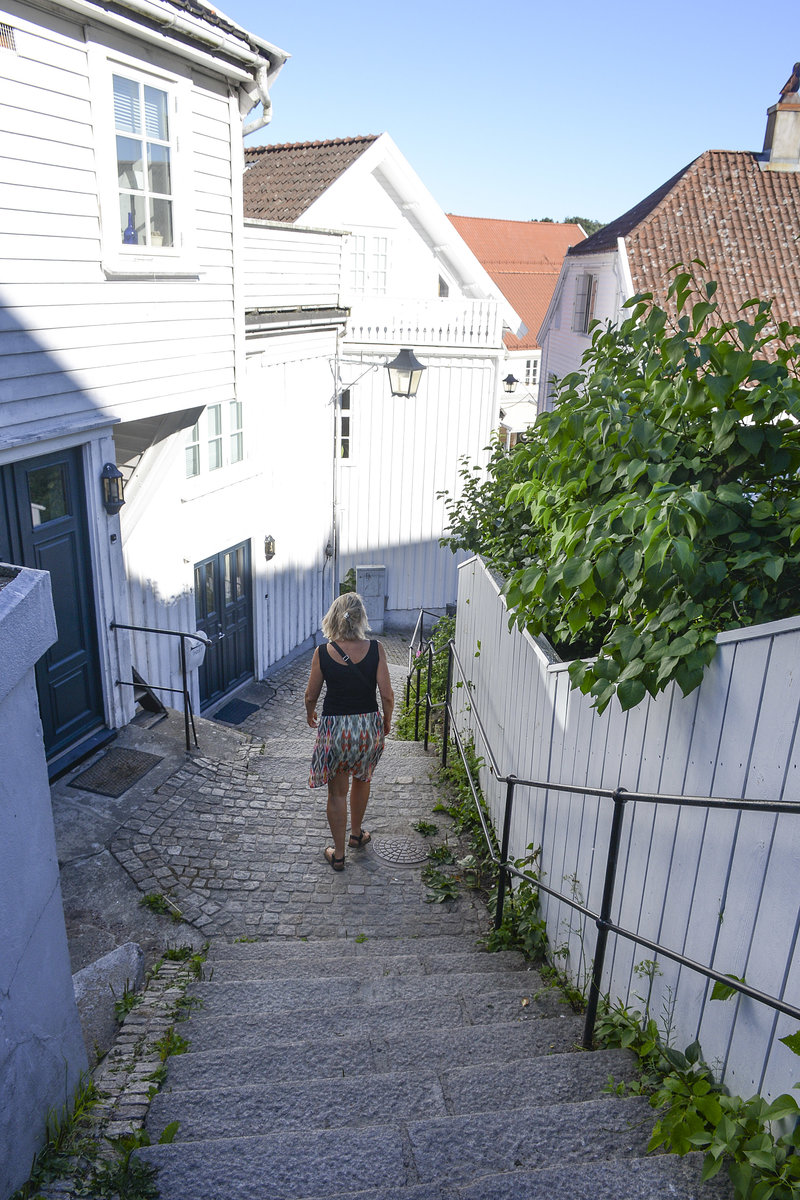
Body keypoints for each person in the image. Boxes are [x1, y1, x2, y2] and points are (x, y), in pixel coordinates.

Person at [305, 592, 394, 870]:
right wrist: (387, 721)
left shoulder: (322, 653)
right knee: (363, 779)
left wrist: (310, 713)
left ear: (333, 617)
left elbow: (311, 695)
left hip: (335, 730)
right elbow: (387, 695)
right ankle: (357, 835)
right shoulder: (376, 649)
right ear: (360, 619)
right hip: (367, 728)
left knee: (337, 792)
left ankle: (339, 854)